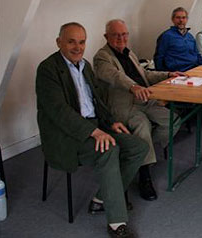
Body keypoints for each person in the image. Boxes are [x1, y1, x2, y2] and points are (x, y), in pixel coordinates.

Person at [36, 22, 148, 238]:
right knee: (109, 150)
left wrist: (110, 122)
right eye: (71, 42)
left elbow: (97, 101)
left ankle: (101, 199)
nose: (78, 47)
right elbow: (59, 112)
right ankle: (117, 223)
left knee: (137, 147)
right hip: (66, 135)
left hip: (94, 127)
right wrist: (94, 132)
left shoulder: (85, 65)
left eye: (82, 42)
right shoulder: (47, 69)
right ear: (58, 42)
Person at [94, 19, 184, 201]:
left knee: (173, 121)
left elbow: (146, 75)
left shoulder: (130, 53)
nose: (121, 38)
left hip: (145, 99)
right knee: (142, 126)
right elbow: (114, 76)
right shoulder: (102, 57)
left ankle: (139, 151)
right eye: (116, 35)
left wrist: (166, 74)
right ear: (106, 36)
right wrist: (133, 87)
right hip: (125, 105)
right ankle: (145, 175)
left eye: (124, 34)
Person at [154, 7, 202, 72]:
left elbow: (197, 54)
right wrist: (165, 76)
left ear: (186, 19)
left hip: (193, 69)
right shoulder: (166, 36)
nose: (181, 20)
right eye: (178, 18)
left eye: (183, 18)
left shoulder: (190, 36)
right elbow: (159, 57)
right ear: (173, 19)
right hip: (177, 73)